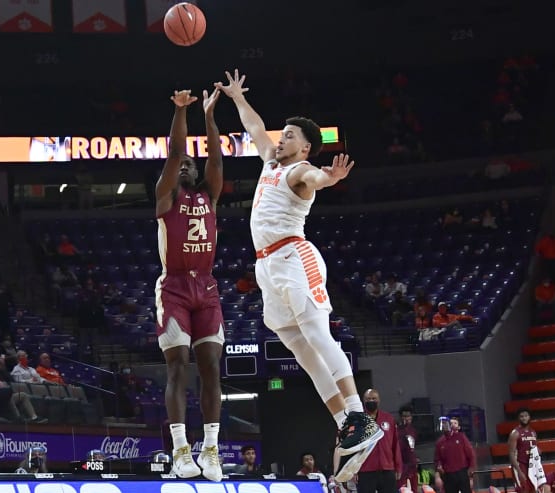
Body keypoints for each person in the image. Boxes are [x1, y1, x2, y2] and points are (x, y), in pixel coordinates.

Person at [218, 69, 382, 478]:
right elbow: (255, 128)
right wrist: (238, 98)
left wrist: (330, 177)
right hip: (267, 267)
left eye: (290, 135)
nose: (281, 138)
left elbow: (316, 178)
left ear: (306, 147)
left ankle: (360, 415)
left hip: (295, 258)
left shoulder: (299, 172)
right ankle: (345, 424)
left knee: (316, 336)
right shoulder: (271, 163)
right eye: (284, 133)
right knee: (302, 352)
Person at [154, 87, 224, 482]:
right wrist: (181, 111)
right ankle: (181, 450)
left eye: (190, 165)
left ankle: (210, 450)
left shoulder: (209, 196)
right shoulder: (165, 199)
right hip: (175, 288)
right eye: (182, 164)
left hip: (207, 289)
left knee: (211, 366)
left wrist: (210, 118)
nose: (186, 166)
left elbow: (214, 157)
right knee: (178, 367)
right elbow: (175, 153)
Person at [343, 389, 402, 492]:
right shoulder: (357, 420)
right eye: (368, 399)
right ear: (363, 401)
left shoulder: (388, 418)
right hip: (365, 470)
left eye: (374, 398)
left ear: (379, 400)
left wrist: (398, 466)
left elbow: (395, 445)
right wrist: (352, 470)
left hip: (387, 468)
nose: (371, 401)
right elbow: (351, 447)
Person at [434, 416, 475, 493]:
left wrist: (471, 477)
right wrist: (438, 473)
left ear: (450, 425)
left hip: (462, 473)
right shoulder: (439, 442)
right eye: (442, 424)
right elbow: (437, 459)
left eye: (445, 424)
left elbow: (470, 455)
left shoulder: (461, 437)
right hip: (448, 475)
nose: (444, 426)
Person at [509, 408, 546, 493]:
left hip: (531, 466)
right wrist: (519, 471)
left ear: (529, 417)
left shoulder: (533, 432)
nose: (524, 418)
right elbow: (511, 454)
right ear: (518, 418)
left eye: (526, 416)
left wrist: (538, 450)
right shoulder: (515, 433)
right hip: (520, 465)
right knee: (523, 490)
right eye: (521, 416)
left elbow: (534, 447)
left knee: (533, 489)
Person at [397, 405, 418, 493]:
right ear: (401, 417)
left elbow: (412, 448)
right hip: (402, 465)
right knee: (402, 489)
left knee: (414, 489)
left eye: (408, 416)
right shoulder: (397, 431)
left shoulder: (413, 430)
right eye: (404, 416)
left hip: (412, 465)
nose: (406, 418)